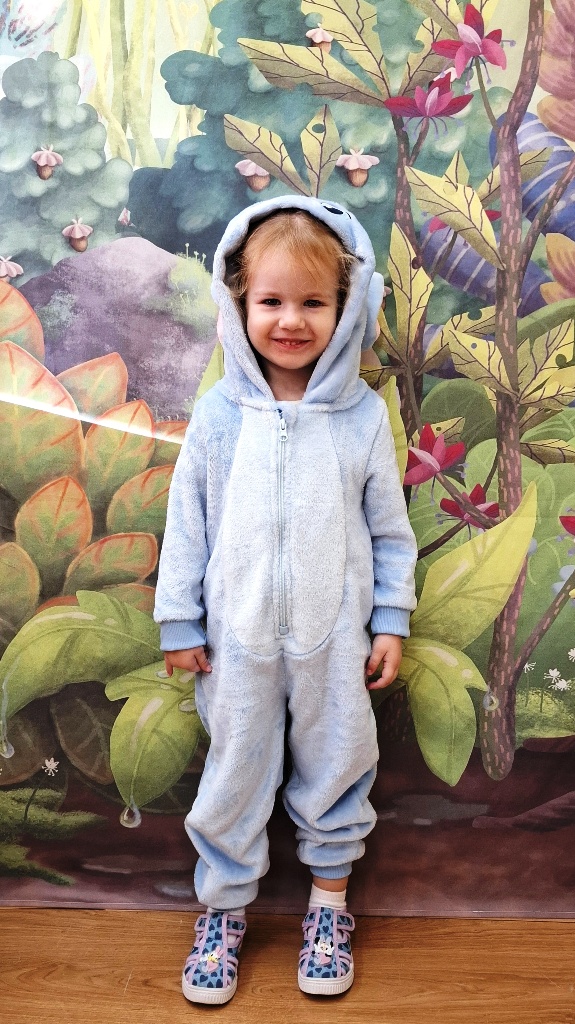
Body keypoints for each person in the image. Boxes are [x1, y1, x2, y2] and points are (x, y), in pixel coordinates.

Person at [154, 195, 417, 1005]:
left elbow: (389, 532)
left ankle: (328, 907)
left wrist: (390, 619)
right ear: (238, 304)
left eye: (313, 302)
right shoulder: (218, 417)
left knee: (339, 763)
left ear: (347, 309)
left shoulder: (360, 419)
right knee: (233, 773)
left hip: (334, 643)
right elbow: (187, 524)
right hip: (233, 644)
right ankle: (223, 912)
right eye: (270, 300)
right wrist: (178, 620)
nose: (291, 320)